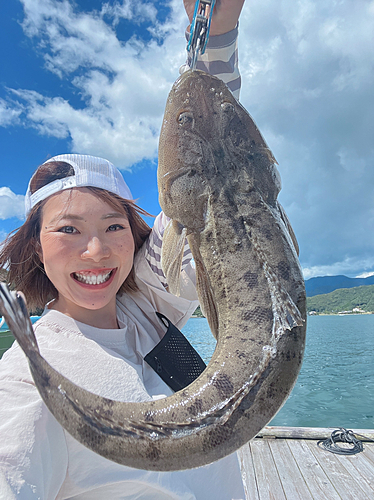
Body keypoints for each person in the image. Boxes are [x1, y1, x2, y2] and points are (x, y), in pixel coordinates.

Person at [0, 1, 246, 498]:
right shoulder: (31, 375)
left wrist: (218, 30)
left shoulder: (149, 308)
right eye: (68, 230)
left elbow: (206, 162)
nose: (96, 251)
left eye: (114, 226)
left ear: (135, 239)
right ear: (35, 249)